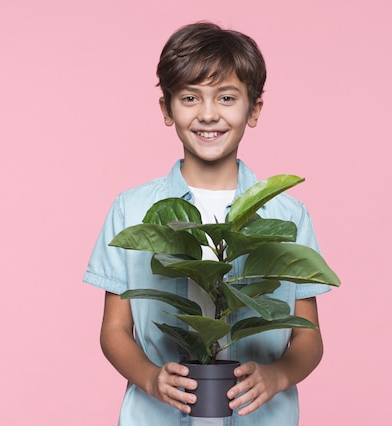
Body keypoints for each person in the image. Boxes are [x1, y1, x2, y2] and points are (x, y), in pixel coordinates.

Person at [83, 22, 332, 426]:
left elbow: (307, 333)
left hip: (259, 417)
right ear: (167, 109)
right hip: (158, 417)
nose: (209, 114)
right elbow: (114, 329)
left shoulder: (286, 216)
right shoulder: (132, 211)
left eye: (227, 98)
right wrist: (150, 379)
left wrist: (277, 375)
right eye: (190, 98)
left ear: (254, 109)